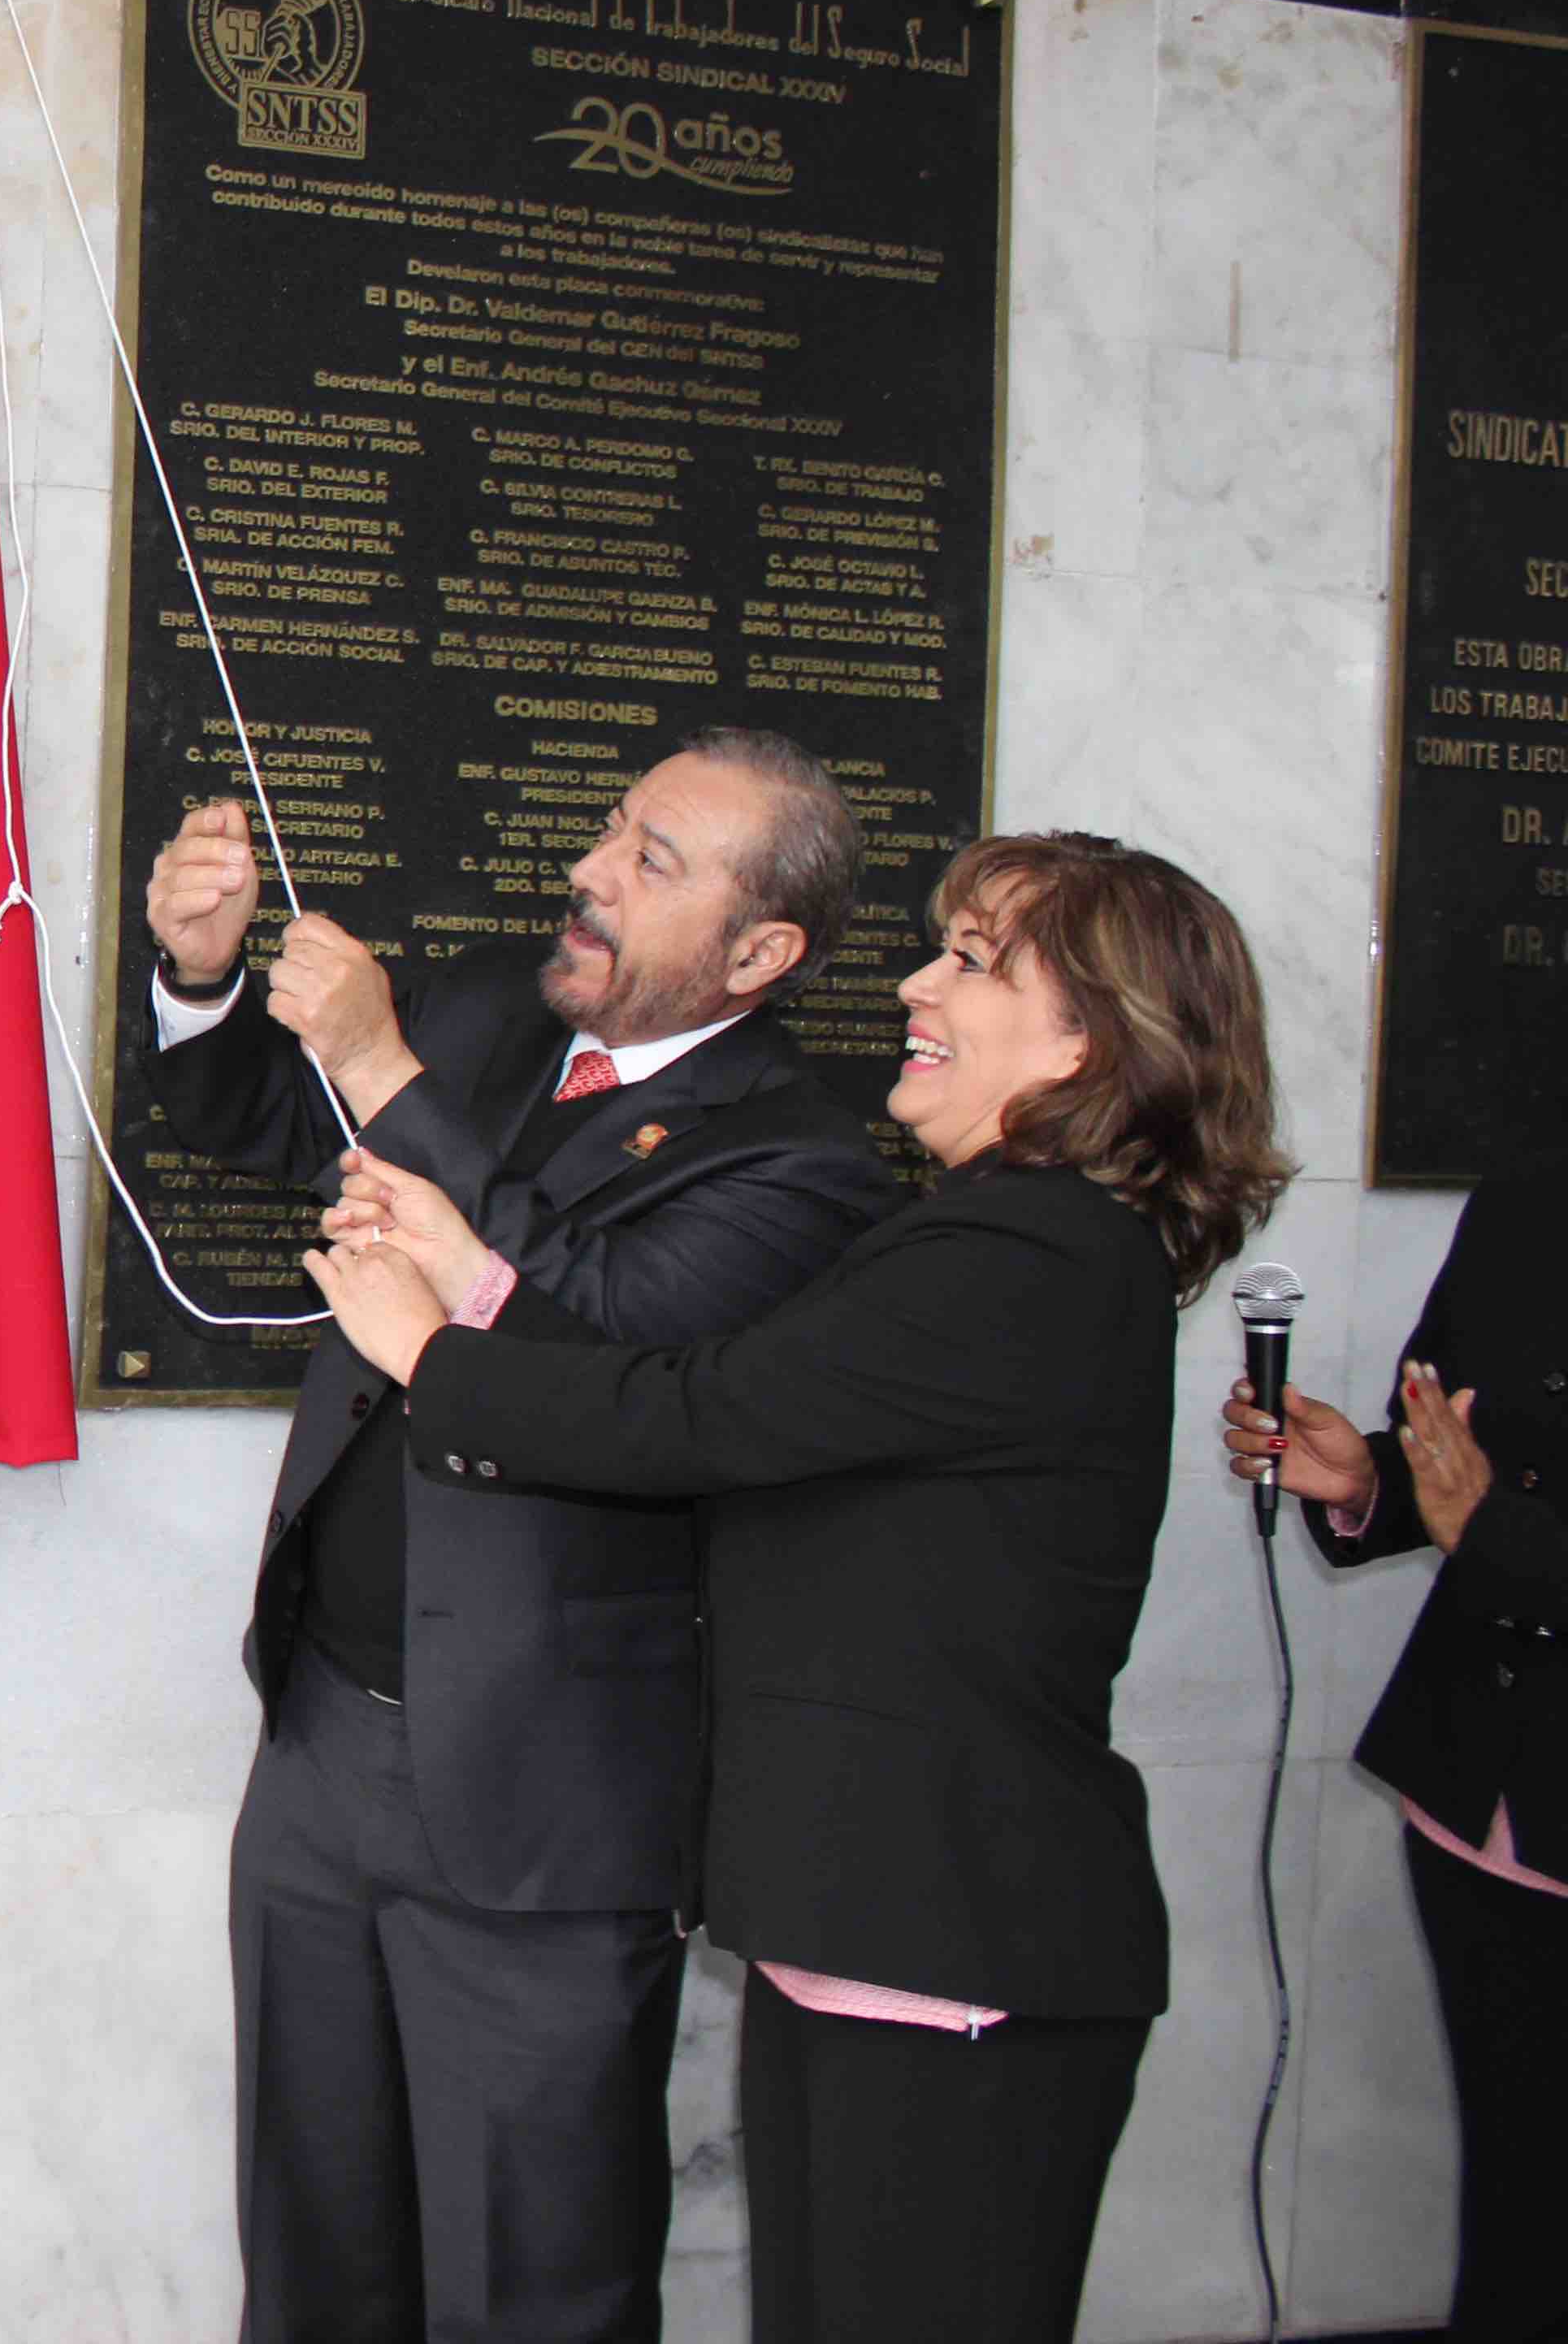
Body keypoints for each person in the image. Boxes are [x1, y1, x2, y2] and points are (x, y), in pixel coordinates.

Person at [303, 830, 1290, 2344]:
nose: (915, 985)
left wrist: (434, 1352)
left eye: (972, 962)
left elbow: (700, 1419)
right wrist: (478, 1278)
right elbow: (735, 1403)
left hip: (955, 1937)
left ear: (1088, 1038)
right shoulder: (984, 1233)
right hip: (870, 1926)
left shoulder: (1029, 1251)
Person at [140, 730, 899, 2343]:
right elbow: (265, 1116)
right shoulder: (499, 1009)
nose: (590, 872)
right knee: (315, 2240)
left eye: (653, 862)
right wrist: (202, 979)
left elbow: (609, 1339)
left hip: (542, 1800)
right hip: (329, 1737)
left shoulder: (804, 1160)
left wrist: (385, 1076)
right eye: (611, 828)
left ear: (759, 954)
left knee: (528, 2276)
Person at [1226, 1167, 1568, 2344]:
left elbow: (1503, 1520)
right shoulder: (1529, 1194)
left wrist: (1504, 1538)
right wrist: (1373, 1481)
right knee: (1518, 2214)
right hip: (1489, 1804)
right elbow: (1470, 1454)